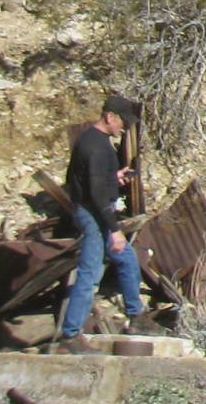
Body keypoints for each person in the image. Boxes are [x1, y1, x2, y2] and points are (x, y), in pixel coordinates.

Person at [56, 93, 163, 351]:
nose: (124, 127)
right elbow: (95, 193)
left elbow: (79, 178)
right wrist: (114, 230)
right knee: (90, 272)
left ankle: (136, 316)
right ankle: (70, 335)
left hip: (92, 211)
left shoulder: (91, 142)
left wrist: (113, 176)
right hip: (95, 216)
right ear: (109, 117)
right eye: (122, 122)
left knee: (126, 260)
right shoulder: (96, 147)